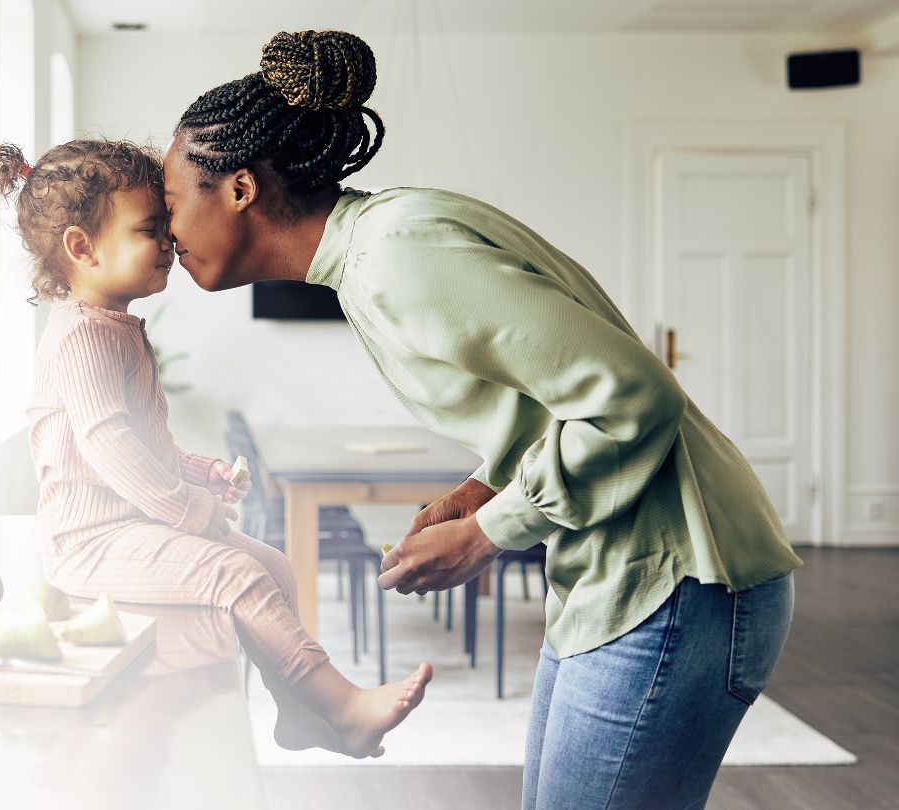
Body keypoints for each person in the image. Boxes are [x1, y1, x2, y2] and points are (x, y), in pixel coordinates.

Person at [161, 29, 802, 808]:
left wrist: (489, 533)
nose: (166, 231)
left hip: (677, 578)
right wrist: (482, 488)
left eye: (169, 202)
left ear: (238, 188)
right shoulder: (375, 252)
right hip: (624, 577)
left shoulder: (396, 256)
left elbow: (633, 397)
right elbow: (549, 400)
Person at [0, 138, 433, 759]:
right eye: (149, 229)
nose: (169, 242)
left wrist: (199, 470)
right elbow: (111, 447)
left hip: (129, 526)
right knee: (238, 575)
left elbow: (146, 444)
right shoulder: (82, 337)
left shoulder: (114, 329)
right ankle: (342, 705)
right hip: (89, 543)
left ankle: (297, 713)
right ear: (81, 249)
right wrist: (188, 510)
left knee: (273, 566)